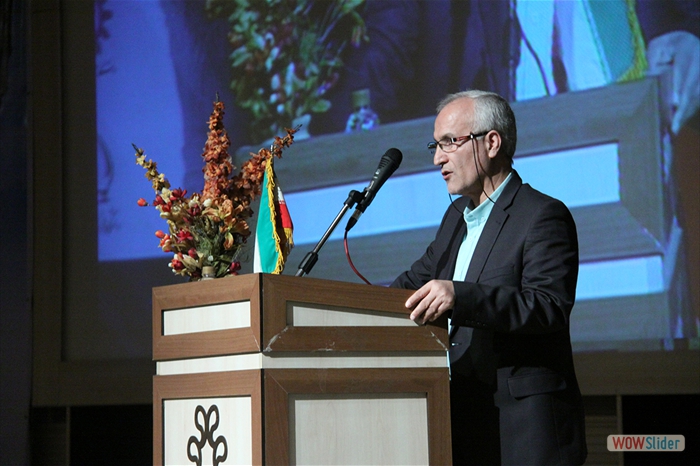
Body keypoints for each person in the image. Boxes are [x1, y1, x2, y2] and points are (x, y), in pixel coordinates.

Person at [391, 90, 587, 465]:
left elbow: (548, 307)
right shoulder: (455, 219)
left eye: (450, 142)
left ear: (491, 143)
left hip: (523, 431)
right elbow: (408, 286)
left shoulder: (542, 215)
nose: (437, 158)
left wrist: (459, 296)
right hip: (464, 422)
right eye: (436, 145)